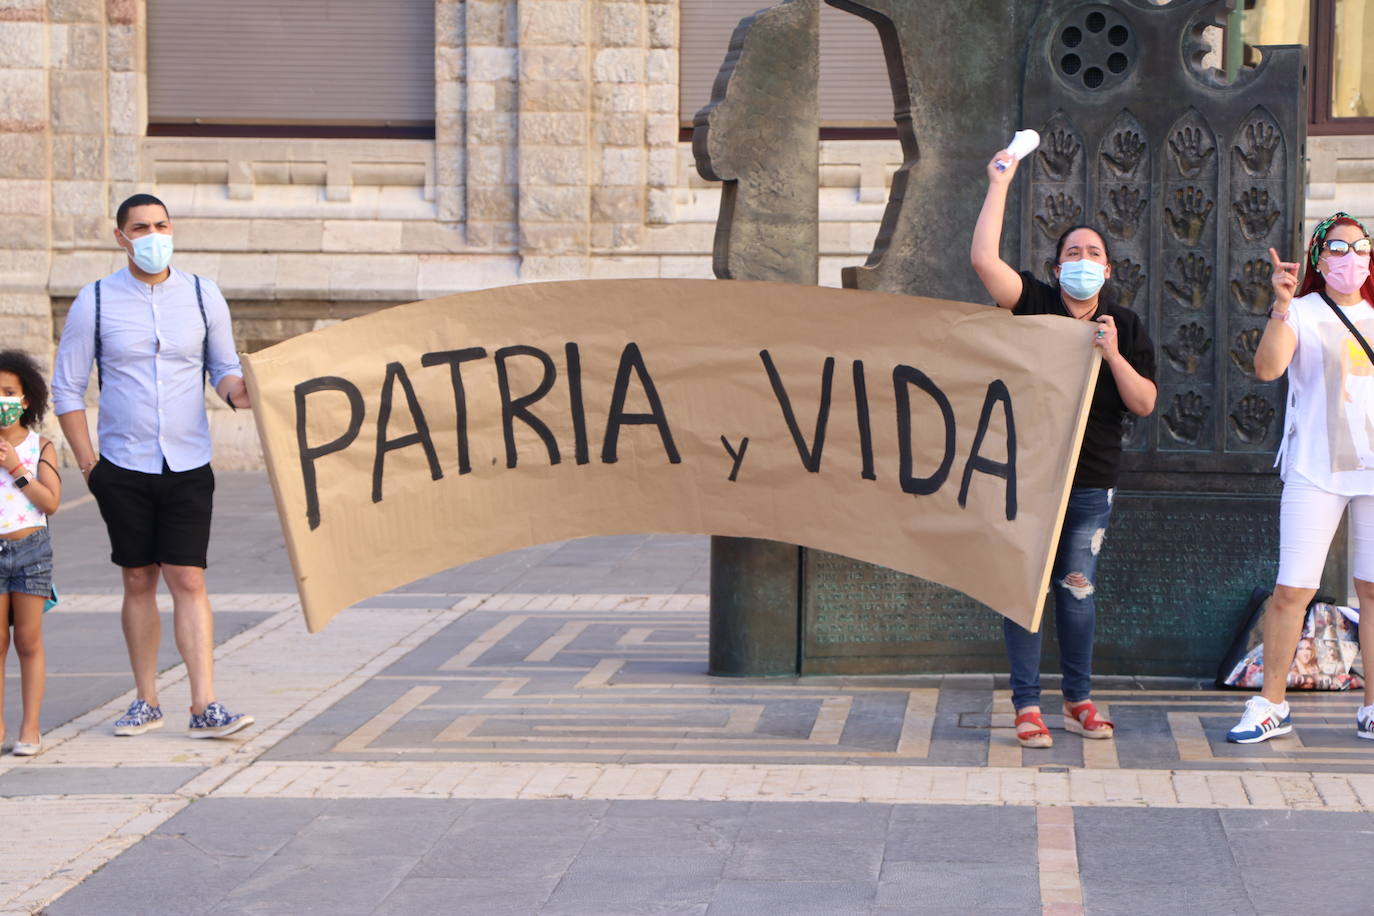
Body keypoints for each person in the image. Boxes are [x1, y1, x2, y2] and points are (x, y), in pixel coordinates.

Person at [971, 148, 1157, 748]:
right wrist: (1000, 183)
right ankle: (1027, 705)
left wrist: (1112, 354)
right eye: (1072, 254)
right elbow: (983, 262)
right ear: (1056, 270)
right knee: (1023, 591)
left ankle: (1078, 696)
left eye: (1093, 255)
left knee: (1077, 592)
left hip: (1090, 484)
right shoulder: (1036, 304)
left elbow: (1145, 402)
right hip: (1027, 478)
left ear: (1108, 271)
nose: (1083, 261)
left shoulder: (1123, 325)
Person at [51, 193, 254, 739]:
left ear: (173, 229)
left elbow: (224, 369)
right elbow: (66, 388)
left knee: (188, 576)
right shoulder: (94, 301)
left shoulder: (201, 293)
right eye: (140, 227)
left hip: (189, 459)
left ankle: (204, 703)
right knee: (138, 577)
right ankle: (145, 700)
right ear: (121, 237)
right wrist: (89, 464)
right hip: (122, 462)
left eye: (161, 225)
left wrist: (244, 392)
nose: (152, 235)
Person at [1226, 212, 1374, 744]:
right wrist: (1282, 305)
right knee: (1293, 589)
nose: (1350, 258)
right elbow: (1267, 369)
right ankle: (1271, 704)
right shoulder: (1304, 312)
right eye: (1337, 248)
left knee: (1373, 591)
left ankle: (1371, 709)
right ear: (1318, 257)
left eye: (1360, 248)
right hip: (1316, 466)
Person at [0, 351, 62, 756]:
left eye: (8, 392)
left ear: (24, 400)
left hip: (31, 550)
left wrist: (16, 468)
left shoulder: (42, 445)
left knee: (28, 640)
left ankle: (30, 728)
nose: (2, 400)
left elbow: (51, 501)